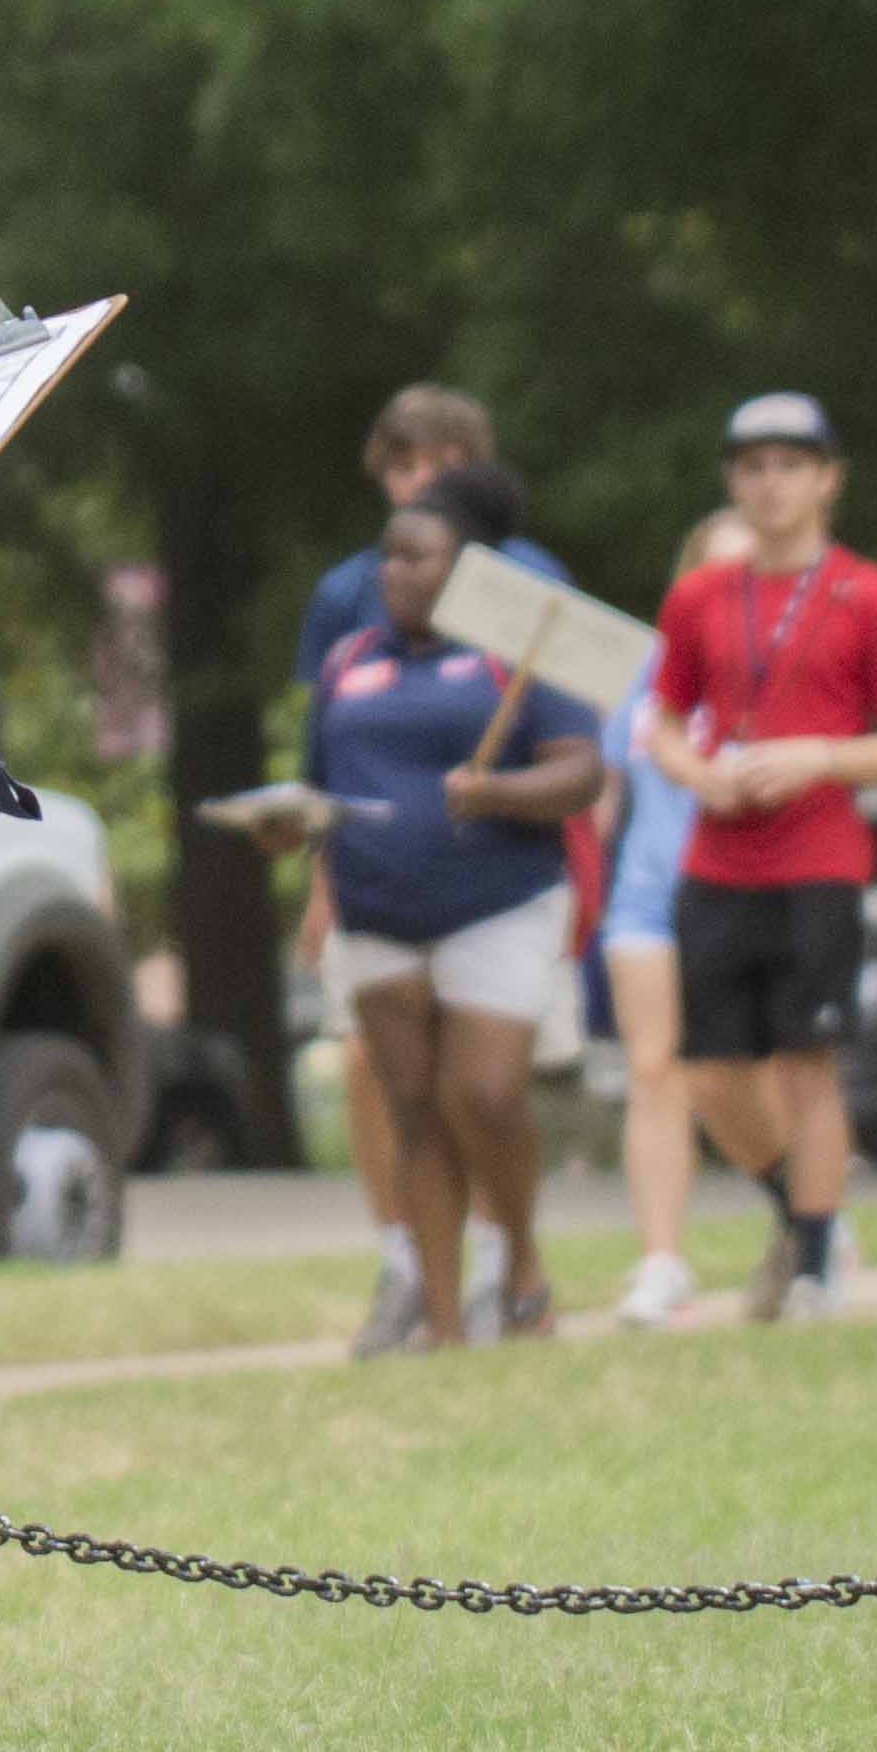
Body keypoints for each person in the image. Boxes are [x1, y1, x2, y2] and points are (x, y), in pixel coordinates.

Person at [254, 466, 598, 1347]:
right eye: (387, 555)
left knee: (481, 1094)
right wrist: (288, 833)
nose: (393, 572)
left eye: (417, 556)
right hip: (377, 911)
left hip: (496, 901)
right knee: (412, 1109)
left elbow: (581, 771)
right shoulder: (347, 660)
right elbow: (320, 786)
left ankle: (520, 1259)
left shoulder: (516, 649)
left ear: (467, 569)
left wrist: (496, 792)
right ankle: (446, 1327)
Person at [638, 393, 877, 1326]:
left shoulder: (869, 595)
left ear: (826, 478)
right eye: (753, 467)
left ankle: (813, 1266)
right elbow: (659, 718)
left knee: (807, 1064)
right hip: (718, 858)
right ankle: (802, 1215)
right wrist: (698, 771)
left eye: (789, 465)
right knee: (714, 1075)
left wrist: (819, 757)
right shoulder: (699, 595)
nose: (770, 484)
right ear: (733, 480)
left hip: (819, 856)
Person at [602, 509, 747, 1330]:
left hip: (744, 890)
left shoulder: (784, 669)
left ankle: (806, 1214)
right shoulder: (649, 671)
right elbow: (606, 786)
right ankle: (660, 1257)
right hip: (649, 893)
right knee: (653, 1070)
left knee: (738, 1077)